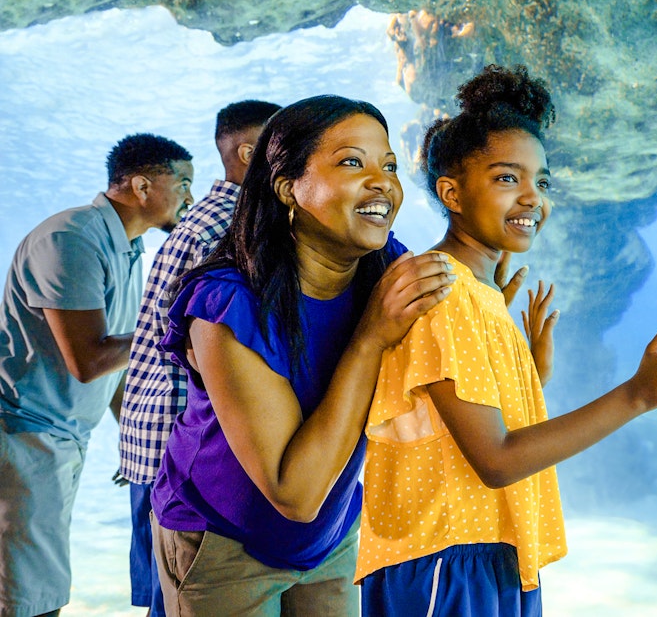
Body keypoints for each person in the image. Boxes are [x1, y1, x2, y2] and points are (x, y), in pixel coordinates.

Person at [354, 64, 657, 616]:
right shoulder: (444, 290)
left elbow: (464, 428)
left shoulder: (479, 292)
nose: (533, 198)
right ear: (451, 193)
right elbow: (496, 460)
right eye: (508, 178)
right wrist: (640, 394)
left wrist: (530, 376)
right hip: (447, 561)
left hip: (486, 551)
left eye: (542, 181)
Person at [148, 94, 461, 616]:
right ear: (289, 188)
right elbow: (294, 493)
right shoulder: (227, 307)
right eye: (351, 162)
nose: (383, 181)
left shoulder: (382, 264)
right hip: (224, 540)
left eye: (389, 165)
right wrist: (369, 338)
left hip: (330, 533)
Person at [0, 134, 194, 617]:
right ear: (143, 185)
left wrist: (137, 444)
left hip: (56, 438)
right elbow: (87, 359)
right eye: (184, 181)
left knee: (35, 583)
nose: (191, 197)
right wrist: (175, 327)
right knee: (26, 595)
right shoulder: (71, 239)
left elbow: (113, 366)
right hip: (22, 434)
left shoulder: (127, 249)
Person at [118, 100, 282, 617]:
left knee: (162, 595)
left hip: (154, 437)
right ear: (252, 152)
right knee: (174, 597)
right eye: (290, 147)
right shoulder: (233, 225)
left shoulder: (208, 217)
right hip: (179, 441)